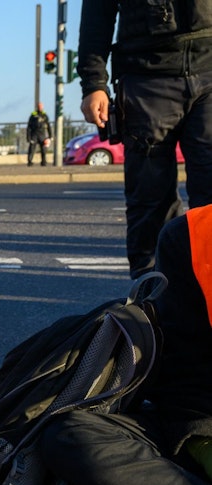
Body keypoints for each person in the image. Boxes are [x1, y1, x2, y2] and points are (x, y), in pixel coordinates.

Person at [37, 206, 212, 485]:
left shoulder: (190, 232)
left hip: (197, 427)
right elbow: (182, 379)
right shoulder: (192, 234)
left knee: (70, 441)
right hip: (200, 426)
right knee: (70, 432)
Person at [78, 0, 212, 279]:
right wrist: (93, 84)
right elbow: (97, 12)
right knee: (150, 200)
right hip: (145, 75)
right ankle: (155, 299)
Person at [26, 102, 51, 167]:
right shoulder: (33, 115)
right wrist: (28, 137)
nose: (40, 107)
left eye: (41, 106)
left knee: (43, 149)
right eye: (39, 106)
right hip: (34, 134)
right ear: (37, 107)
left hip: (42, 134)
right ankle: (30, 161)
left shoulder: (45, 115)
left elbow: (48, 126)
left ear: (42, 107)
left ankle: (43, 161)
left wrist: (50, 136)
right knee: (32, 148)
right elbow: (29, 127)